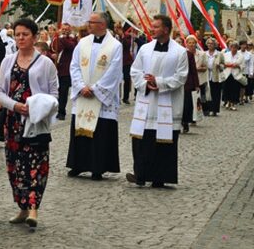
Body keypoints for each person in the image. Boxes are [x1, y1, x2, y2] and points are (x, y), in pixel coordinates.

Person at [0, 18, 59, 230]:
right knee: (15, 166)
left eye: (25, 34)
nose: (20, 38)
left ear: (34, 36)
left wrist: (37, 107)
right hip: (13, 121)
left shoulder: (45, 63)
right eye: (17, 34)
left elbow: (54, 94)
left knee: (35, 163)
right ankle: (22, 206)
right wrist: (15, 106)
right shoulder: (8, 61)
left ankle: (33, 208)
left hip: (35, 122)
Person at [127, 15, 189, 188]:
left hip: (167, 103)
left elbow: (181, 77)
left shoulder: (180, 52)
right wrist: (146, 83)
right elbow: (135, 71)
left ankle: (160, 177)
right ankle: (140, 174)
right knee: (143, 140)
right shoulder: (145, 49)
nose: (152, 29)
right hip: (146, 101)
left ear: (166, 29)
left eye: (155, 27)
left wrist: (159, 82)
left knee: (163, 142)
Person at [66, 12, 123, 181]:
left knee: (101, 132)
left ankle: (98, 166)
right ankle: (78, 164)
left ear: (103, 25)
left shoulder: (115, 46)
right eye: (89, 21)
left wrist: (96, 89)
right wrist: (80, 86)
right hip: (83, 94)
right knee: (80, 131)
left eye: (92, 22)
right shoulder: (82, 43)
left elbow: (114, 72)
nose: (89, 24)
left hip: (101, 97)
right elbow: (74, 66)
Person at [53, 23, 77, 120]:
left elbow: (71, 46)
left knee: (63, 91)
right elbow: (54, 48)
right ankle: (54, 109)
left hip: (66, 70)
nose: (65, 31)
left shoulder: (73, 39)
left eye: (67, 29)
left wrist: (61, 37)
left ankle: (61, 111)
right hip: (57, 68)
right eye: (63, 29)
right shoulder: (58, 38)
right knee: (56, 91)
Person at [182, 35, 201, 133]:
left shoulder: (189, 54)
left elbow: (194, 70)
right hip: (177, 83)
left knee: (187, 104)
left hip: (188, 83)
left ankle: (185, 122)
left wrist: (196, 84)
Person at [203, 38, 225, 116]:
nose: (210, 45)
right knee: (207, 93)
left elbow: (223, 64)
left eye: (211, 43)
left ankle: (214, 110)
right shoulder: (204, 54)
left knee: (216, 93)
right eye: (208, 43)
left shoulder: (219, 54)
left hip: (216, 76)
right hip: (207, 76)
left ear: (215, 45)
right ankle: (207, 109)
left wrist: (220, 66)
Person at [222, 41, 245, 111]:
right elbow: (222, 64)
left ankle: (233, 103)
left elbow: (243, 66)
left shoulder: (240, 56)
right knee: (226, 89)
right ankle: (228, 102)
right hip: (227, 74)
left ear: (237, 48)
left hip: (235, 74)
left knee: (235, 89)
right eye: (232, 47)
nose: (233, 49)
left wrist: (238, 66)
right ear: (230, 47)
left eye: (235, 47)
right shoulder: (226, 55)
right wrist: (227, 65)